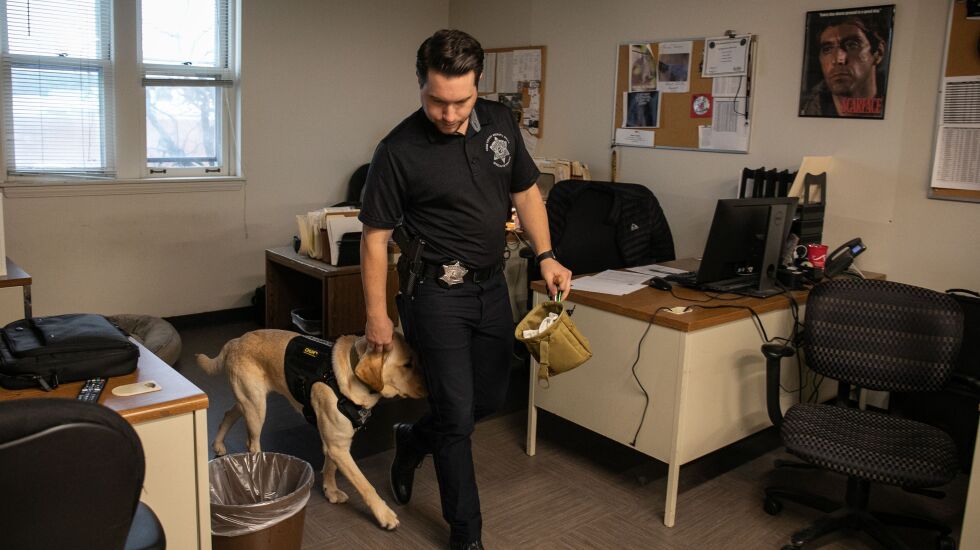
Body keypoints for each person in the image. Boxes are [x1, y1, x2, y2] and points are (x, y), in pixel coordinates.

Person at [358, 29, 572, 550]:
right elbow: (374, 238)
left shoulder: (499, 121)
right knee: (456, 417)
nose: (449, 114)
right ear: (419, 85)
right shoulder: (397, 150)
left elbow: (526, 192)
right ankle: (466, 534)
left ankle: (413, 439)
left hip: (490, 286)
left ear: (478, 86)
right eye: (437, 101)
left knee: (488, 399)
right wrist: (377, 315)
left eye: (461, 101)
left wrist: (545, 254)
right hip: (435, 294)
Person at [800, 15, 888, 117]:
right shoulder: (806, 108)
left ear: (878, 53)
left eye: (852, 45)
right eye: (827, 49)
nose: (839, 59)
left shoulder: (896, 104)